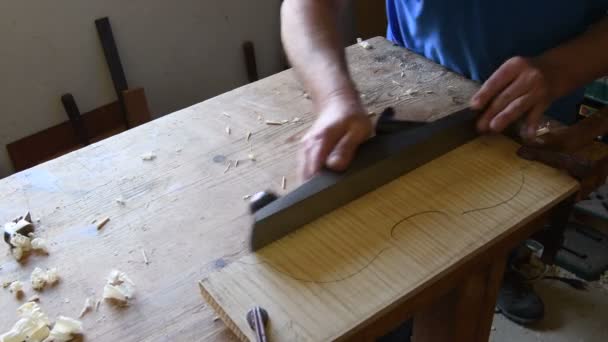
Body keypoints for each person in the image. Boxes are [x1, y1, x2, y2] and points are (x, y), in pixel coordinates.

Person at [281, 0, 608, 332]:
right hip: (416, 98)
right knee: (399, 259)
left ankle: (502, 265)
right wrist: (335, 97)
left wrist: (562, 68)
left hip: (532, 119)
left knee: (497, 232)